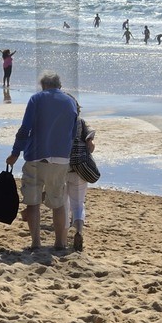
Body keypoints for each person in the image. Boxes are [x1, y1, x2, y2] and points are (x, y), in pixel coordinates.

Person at [6, 72, 79, 252]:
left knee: (33, 202)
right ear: (59, 86)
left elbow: (25, 129)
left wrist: (15, 153)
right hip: (61, 158)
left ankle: (36, 243)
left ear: (43, 85)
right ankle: (60, 243)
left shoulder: (36, 99)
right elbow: (73, 132)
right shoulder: (70, 102)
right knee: (58, 202)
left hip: (36, 157)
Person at [65, 107, 96, 252]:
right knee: (78, 205)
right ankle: (78, 231)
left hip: (61, 167)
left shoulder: (57, 123)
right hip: (79, 169)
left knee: (62, 204)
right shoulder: (81, 123)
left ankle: (62, 237)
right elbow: (91, 147)